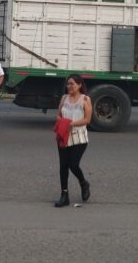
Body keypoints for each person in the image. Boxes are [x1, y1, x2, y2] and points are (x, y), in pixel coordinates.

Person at [53, 74, 92, 208]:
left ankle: (83, 183)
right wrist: (61, 122)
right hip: (64, 135)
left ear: (79, 85)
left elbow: (87, 119)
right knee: (63, 165)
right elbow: (58, 114)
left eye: (72, 84)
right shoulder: (64, 98)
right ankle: (64, 195)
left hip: (79, 137)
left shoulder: (85, 99)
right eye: (68, 84)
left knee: (73, 164)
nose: (69, 86)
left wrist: (71, 124)